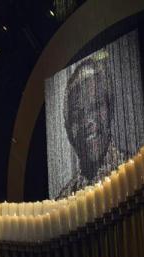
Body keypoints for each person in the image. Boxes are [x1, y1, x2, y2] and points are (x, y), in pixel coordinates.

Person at [58, 56, 126, 199]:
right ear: (67, 129)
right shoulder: (63, 201)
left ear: (110, 109)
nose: (86, 121)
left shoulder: (134, 174)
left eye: (95, 106)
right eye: (77, 115)